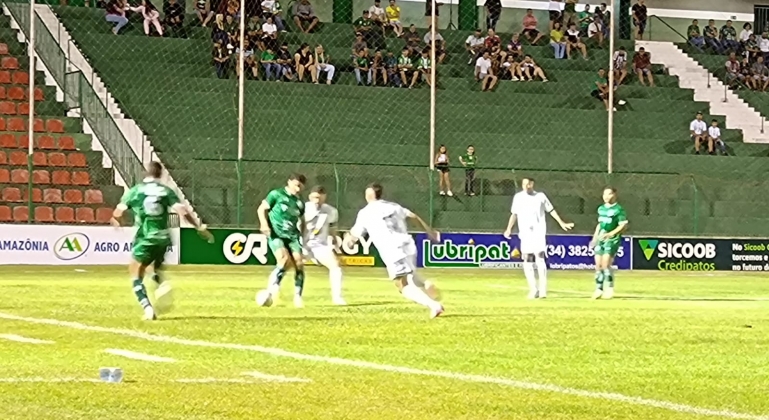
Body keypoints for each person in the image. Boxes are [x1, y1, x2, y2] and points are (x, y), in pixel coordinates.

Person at [110, 161, 213, 320]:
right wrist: (198, 228)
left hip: (145, 237)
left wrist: (117, 221)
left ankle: (147, 308)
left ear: (146, 173)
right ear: (161, 174)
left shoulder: (135, 191)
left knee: (135, 272)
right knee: (153, 268)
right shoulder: (166, 191)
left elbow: (118, 213)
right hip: (163, 238)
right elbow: (183, 212)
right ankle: (161, 284)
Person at [344, 183, 444, 319]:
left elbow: (355, 235)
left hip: (391, 248)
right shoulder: (394, 206)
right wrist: (429, 231)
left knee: (401, 285)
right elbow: (413, 216)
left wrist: (347, 241)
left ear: (368, 195)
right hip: (408, 244)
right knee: (410, 276)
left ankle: (434, 305)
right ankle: (425, 283)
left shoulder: (365, 212)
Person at [504, 177, 573, 299]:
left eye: (528, 184)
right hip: (525, 232)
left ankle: (543, 290)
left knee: (540, 257)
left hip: (538, 231)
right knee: (527, 258)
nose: (526, 186)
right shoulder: (518, 197)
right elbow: (514, 214)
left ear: (532, 184)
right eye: (524, 184)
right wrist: (509, 228)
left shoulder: (540, 196)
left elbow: (551, 210)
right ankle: (533, 289)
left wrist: (561, 222)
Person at [256, 173, 307, 308]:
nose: (298, 189)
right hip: (276, 234)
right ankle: (274, 286)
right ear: (289, 182)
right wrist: (264, 224)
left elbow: (302, 221)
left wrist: (303, 235)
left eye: (301, 187)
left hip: (293, 236)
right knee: (283, 259)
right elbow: (261, 209)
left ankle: (297, 297)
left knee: (299, 262)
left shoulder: (300, 203)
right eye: (296, 185)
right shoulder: (276, 194)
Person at [303, 186, 346, 305]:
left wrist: (337, 248)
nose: (317, 200)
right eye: (315, 197)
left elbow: (332, 231)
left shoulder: (331, 211)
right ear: (310, 196)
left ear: (324, 197)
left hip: (319, 245)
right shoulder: (303, 208)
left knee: (335, 266)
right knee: (285, 264)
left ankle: (337, 298)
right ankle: (273, 290)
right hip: (302, 244)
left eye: (320, 197)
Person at [588, 187, 628, 300]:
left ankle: (610, 288)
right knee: (598, 265)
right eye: (604, 194)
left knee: (606, 264)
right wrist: (595, 238)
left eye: (609, 194)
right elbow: (600, 224)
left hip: (612, 239)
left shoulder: (619, 209)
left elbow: (623, 225)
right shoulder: (601, 209)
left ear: (614, 195)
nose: (606, 196)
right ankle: (598, 289)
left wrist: (611, 234)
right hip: (601, 238)